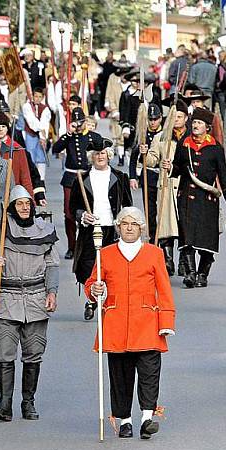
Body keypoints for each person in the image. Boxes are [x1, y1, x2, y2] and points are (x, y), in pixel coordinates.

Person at [86, 206, 175, 439]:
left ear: (141, 228)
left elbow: (164, 290)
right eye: (124, 223)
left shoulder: (154, 253)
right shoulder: (104, 253)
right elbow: (92, 283)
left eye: (134, 224)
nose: (129, 227)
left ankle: (147, 418)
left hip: (147, 322)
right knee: (120, 375)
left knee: (149, 372)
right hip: (116, 323)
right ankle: (124, 420)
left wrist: (166, 321)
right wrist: (94, 290)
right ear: (118, 227)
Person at [0, 186, 59, 422]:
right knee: (4, 353)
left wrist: (52, 292)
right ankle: (5, 405)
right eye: (19, 204)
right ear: (11, 208)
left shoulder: (44, 230)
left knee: (34, 353)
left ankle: (28, 402)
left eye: (28, 203)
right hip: (6, 298)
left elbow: (52, 265)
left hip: (36, 298)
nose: (24, 207)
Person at [161, 107, 226, 288]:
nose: (195, 126)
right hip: (186, 197)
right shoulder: (184, 144)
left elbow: (223, 174)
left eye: (199, 123)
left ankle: (203, 273)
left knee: (206, 239)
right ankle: (191, 274)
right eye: (194, 122)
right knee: (187, 236)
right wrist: (170, 167)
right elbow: (178, 168)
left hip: (207, 198)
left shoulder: (215, 147)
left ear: (207, 127)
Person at [70, 138, 132, 320]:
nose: (100, 157)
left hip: (112, 230)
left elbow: (128, 205)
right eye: (97, 154)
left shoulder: (120, 178)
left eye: (103, 153)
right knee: (89, 265)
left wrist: (125, 224)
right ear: (92, 157)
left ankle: (109, 300)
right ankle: (91, 300)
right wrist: (82, 215)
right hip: (90, 229)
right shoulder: (82, 179)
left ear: (109, 155)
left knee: (111, 267)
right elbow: (73, 207)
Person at [51, 107, 105, 259]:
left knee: (89, 212)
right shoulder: (69, 137)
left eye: (80, 122)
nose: (78, 126)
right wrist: (68, 134)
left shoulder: (93, 137)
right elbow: (56, 148)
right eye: (75, 123)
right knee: (69, 215)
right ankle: (72, 246)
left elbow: (103, 148)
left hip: (88, 177)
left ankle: (88, 245)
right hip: (71, 177)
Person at [146, 100, 189, 275]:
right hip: (166, 185)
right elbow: (151, 161)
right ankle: (168, 261)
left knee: (185, 226)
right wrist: (145, 152)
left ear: (186, 118)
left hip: (185, 185)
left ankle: (185, 263)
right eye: (174, 116)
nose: (177, 120)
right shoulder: (161, 137)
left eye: (180, 116)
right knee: (166, 226)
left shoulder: (190, 138)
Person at [0, 112, 45, 206]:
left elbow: (25, 177)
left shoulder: (17, 149)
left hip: (13, 194)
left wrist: (30, 201)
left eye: (3, 126)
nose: (1, 129)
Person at [128, 103, 164, 238]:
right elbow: (133, 158)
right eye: (150, 119)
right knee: (150, 211)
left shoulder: (165, 133)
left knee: (162, 210)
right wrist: (133, 177)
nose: (153, 122)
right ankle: (153, 236)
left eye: (155, 119)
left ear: (160, 118)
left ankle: (164, 238)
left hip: (162, 175)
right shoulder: (142, 134)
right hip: (147, 175)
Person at [21, 88, 52, 179]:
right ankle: (32, 178)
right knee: (31, 155)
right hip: (31, 134)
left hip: (40, 136)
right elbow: (31, 121)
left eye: (40, 97)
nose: (37, 99)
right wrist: (39, 128)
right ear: (32, 96)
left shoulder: (45, 109)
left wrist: (43, 137)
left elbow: (45, 122)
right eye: (36, 96)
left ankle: (41, 178)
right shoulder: (27, 106)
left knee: (41, 157)